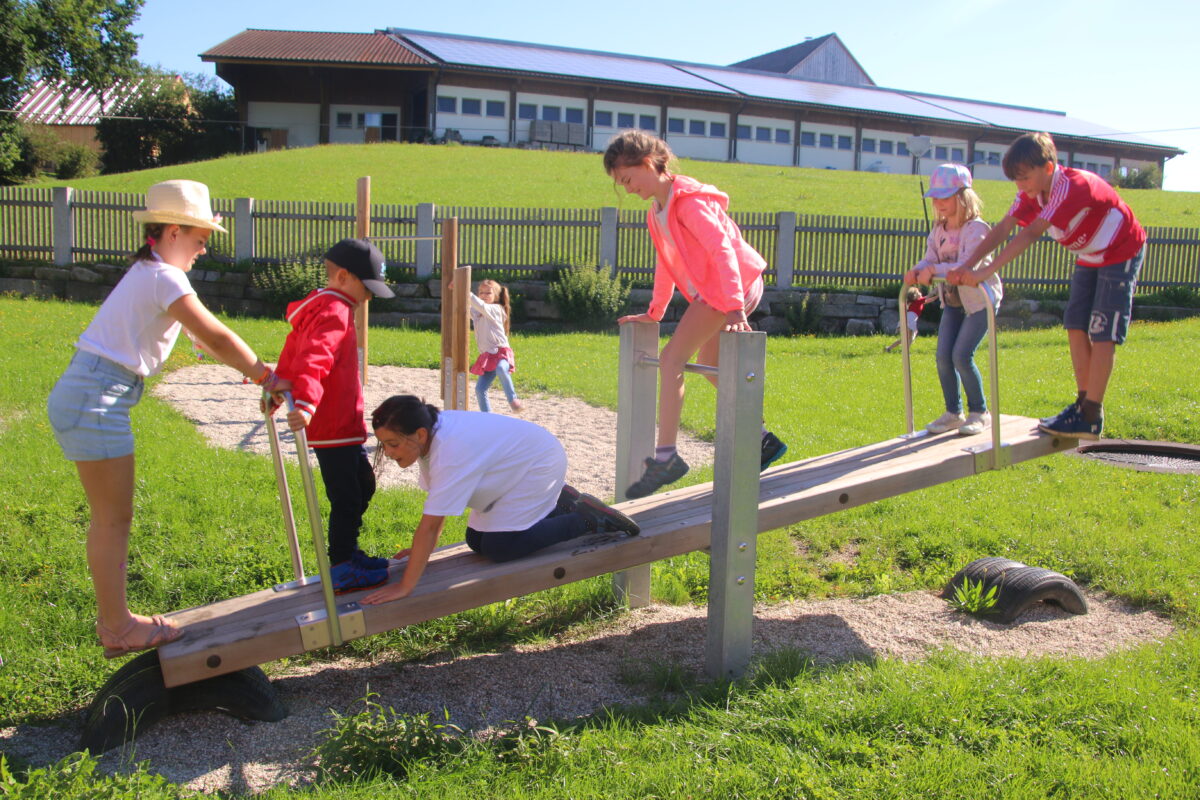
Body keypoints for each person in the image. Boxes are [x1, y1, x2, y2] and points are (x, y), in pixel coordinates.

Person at [46, 179, 291, 658]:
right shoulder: (165, 278)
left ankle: (116, 623)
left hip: (92, 391)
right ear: (174, 231)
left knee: (111, 518)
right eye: (200, 241)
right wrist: (265, 374)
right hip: (98, 396)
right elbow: (215, 335)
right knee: (112, 520)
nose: (202, 251)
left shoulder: (150, 271)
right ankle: (116, 627)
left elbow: (190, 338)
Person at [603, 130, 788, 498]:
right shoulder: (657, 212)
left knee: (672, 360)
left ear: (649, 164)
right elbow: (665, 264)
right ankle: (763, 439)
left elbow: (723, 252)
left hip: (731, 286)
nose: (626, 189)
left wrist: (734, 306)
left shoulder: (688, 203)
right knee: (709, 361)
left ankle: (667, 456)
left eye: (627, 179)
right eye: (619, 184)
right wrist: (655, 313)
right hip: (719, 291)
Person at [948, 132, 1146, 440]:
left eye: (1024, 178)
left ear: (1048, 168)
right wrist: (967, 265)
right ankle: (1081, 407)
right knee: (1075, 323)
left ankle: (1092, 413)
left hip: (1121, 249)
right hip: (1090, 254)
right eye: (1015, 179)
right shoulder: (1030, 191)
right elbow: (1003, 228)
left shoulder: (1070, 188)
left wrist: (986, 271)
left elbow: (1029, 234)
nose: (1021, 185)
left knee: (1102, 329)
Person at [360, 395, 639, 604]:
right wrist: (423, 552)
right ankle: (558, 503)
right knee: (477, 542)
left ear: (419, 434)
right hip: (515, 467)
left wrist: (405, 586)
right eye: (383, 444)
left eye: (392, 444)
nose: (387, 452)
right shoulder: (429, 435)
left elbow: (431, 525)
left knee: (500, 547)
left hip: (537, 464)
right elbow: (439, 504)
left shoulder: (450, 450)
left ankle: (586, 519)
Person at [274, 238, 396, 593]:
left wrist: (279, 388)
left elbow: (293, 348)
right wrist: (306, 403)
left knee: (362, 485)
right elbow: (315, 356)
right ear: (343, 276)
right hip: (332, 426)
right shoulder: (336, 309)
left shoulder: (324, 306)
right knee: (347, 497)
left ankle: (348, 553)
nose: (370, 297)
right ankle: (342, 565)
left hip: (341, 424)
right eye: (368, 288)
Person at [904, 164, 1002, 436]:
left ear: (962, 197)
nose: (938, 203)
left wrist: (932, 270)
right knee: (943, 356)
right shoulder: (939, 230)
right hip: (953, 300)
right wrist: (918, 269)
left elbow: (964, 266)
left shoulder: (976, 229)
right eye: (935, 198)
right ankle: (953, 412)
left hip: (980, 302)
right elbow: (931, 259)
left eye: (944, 197)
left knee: (962, 355)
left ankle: (980, 412)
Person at [469, 279, 523, 413]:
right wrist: (454, 291)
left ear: (496, 297)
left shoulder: (496, 309)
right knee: (480, 389)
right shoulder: (478, 312)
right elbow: (466, 307)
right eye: (481, 292)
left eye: (488, 293)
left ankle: (513, 399)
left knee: (501, 368)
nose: (484, 295)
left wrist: (465, 290)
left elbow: (478, 304)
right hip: (488, 356)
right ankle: (487, 417)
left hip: (500, 353)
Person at [884, 286, 928, 353]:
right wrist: (936, 293)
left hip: (906, 319)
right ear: (915, 295)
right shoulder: (918, 301)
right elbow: (928, 297)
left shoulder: (914, 302)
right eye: (918, 292)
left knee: (904, 339)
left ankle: (889, 348)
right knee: (910, 338)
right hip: (910, 321)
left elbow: (927, 300)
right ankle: (905, 351)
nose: (920, 293)